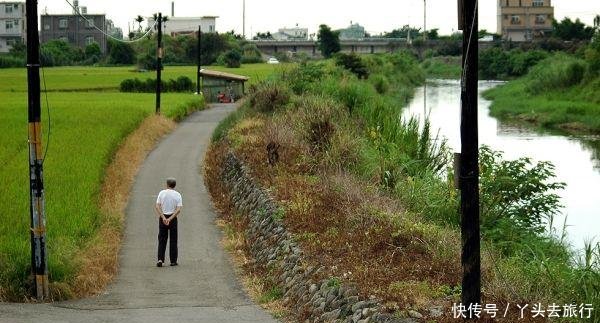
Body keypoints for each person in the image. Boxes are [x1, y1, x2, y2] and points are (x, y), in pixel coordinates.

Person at [154, 177, 182, 267]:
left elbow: (157, 206)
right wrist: (170, 219)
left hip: (163, 217)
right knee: (173, 239)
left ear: (167, 185)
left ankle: (160, 259)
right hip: (172, 218)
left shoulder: (162, 193)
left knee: (162, 239)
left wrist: (163, 217)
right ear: (174, 185)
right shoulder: (177, 195)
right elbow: (178, 209)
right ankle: (173, 260)